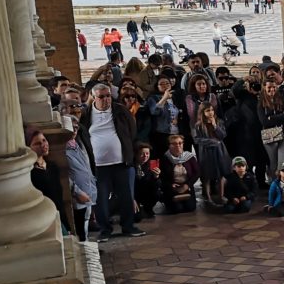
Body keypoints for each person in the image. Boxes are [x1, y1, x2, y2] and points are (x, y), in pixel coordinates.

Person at [81, 83, 145, 241]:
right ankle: (105, 230)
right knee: (100, 199)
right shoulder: (86, 114)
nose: (106, 99)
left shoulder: (121, 110)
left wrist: (133, 152)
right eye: (101, 96)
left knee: (126, 196)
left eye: (108, 95)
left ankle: (128, 226)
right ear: (93, 97)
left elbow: (132, 132)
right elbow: (82, 135)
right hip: (98, 166)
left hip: (121, 163)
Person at [27, 128, 68, 233]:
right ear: (29, 148)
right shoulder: (30, 172)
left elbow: (59, 196)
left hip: (59, 213)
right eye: (37, 143)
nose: (43, 145)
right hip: (44, 217)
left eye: (44, 140)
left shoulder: (52, 166)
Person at [193, 104, 229, 205]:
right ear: (203, 112)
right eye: (208, 111)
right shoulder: (198, 125)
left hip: (220, 150)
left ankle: (221, 195)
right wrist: (212, 142)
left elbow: (223, 135)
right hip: (206, 152)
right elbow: (197, 139)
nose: (211, 113)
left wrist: (215, 126)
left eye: (212, 110)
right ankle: (208, 197)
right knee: (207, 175)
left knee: (221, 174)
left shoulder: (219, 122)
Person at [257, 80, 284, 179]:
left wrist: (272, 117)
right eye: (269, 87)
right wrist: (281, 116)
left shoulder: (282, 98)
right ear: (264, 88)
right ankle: (274, 184)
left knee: (283, 163)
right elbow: (264, 122)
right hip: (269, 135)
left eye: (274, 87)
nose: (272, 89)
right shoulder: (261, 103)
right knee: (273, 163)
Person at [160, 135, 199, 214]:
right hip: (172, 188)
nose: (177, 145)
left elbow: (197, 172)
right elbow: (162, 176)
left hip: (186, 186)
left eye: (180, 143)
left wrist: (187, 185)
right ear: (169, 145)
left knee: (190, 208)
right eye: (174, 143)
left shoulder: (189, 157)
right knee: (177, 209)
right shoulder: (165, 158)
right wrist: (171, 185)